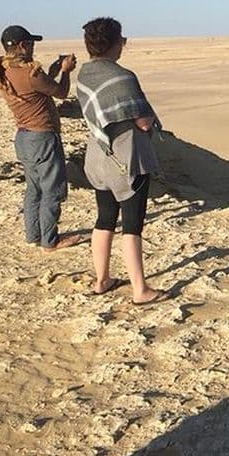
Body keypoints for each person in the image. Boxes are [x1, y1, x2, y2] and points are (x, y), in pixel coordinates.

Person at [76, 17, 167, 304]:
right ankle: (140, 290)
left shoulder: (83, 75)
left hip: (97, 159)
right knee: (132, 225)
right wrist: (150, 120)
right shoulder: (123, 77)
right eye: (122, 40)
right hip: (128, 160)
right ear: (116, 43)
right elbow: (142, 122)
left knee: (104, 219)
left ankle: (101, 279)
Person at [0, 25, 84, 251]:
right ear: (23, 46)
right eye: (31, 44)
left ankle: (34, 235)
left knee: (34, 189)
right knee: (52, 190)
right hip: (43, 138)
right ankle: (50, 241)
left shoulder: (4, 70)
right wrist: (66, 71)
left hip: (24, 139)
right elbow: (61, 93)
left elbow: (37, 87)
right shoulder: (31, 73)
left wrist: (52, 70)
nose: (33, 48)